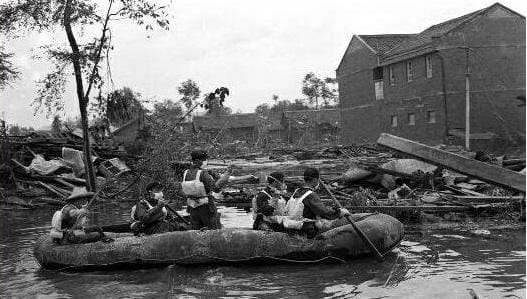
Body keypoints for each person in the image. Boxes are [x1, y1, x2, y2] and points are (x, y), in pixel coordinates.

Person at [284, 167, 350, 238]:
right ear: (315, 179)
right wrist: (340, 212)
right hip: (306, 230)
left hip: (292, 226)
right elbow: (324, 212)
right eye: (318, 179)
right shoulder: (310, 195)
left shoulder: (296, 191)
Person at [181, 150, 233, 230]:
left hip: (192, 208)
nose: (206, 162)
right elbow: (216, 188)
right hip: (206, 208)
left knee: (196, 231)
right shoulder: (203, 173)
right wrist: (228, 173)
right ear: (197, 161)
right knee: (214, 230)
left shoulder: (186, 172)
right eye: (204, 159)